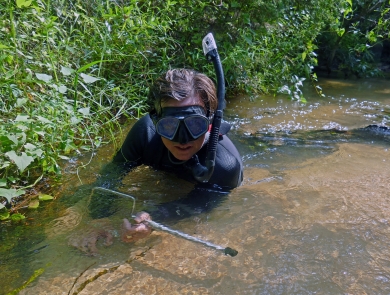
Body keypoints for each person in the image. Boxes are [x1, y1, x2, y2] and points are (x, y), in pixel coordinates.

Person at [70, 68, 243, 255]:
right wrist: (98, 218)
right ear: (155, 121)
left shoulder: (224, 166)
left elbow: (202, 202)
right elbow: (114, 172)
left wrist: (155, 217)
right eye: (169, 125)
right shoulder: (145, 134)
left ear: (209, 121)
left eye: (195, 124)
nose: (183, 140)